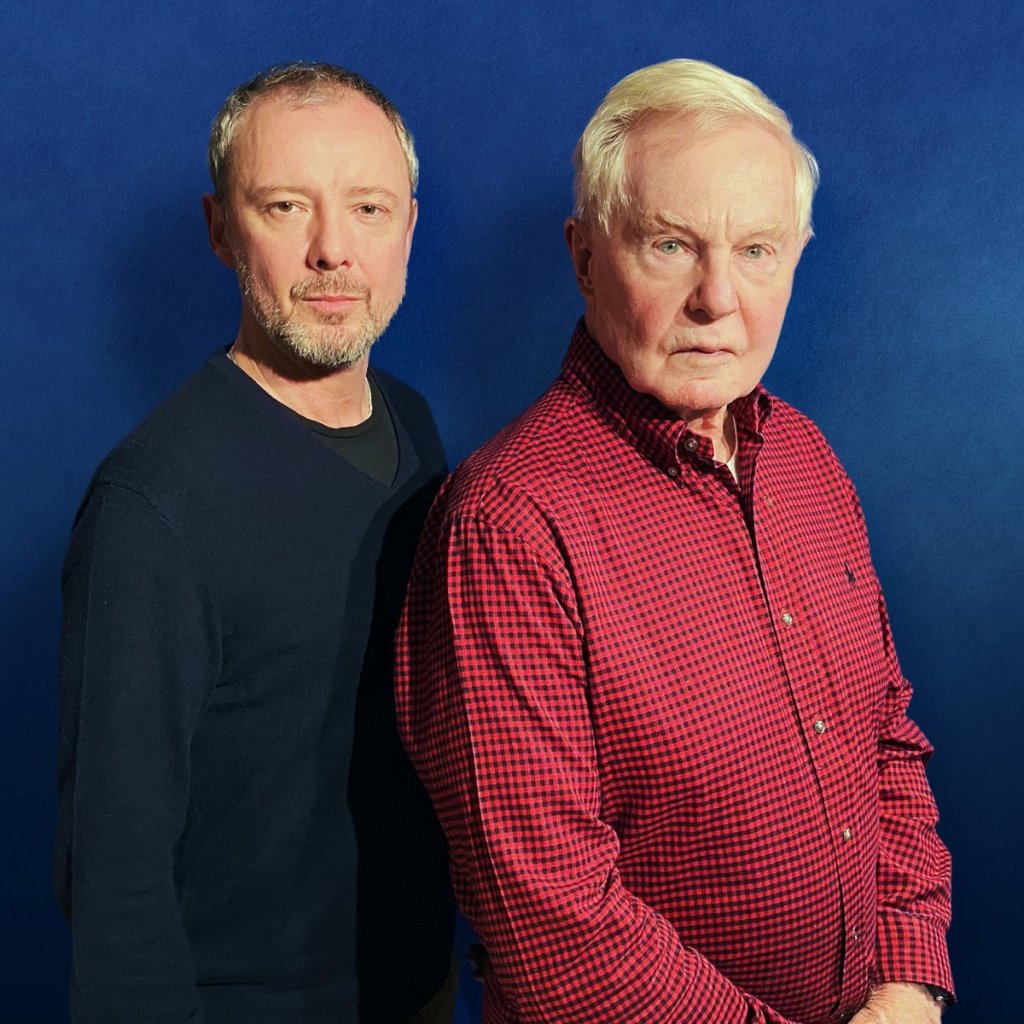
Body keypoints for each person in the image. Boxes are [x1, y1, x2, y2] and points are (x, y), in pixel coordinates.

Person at [396, 59, 953, 1024]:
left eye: (759, 251)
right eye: (669, 245)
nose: (717, 299)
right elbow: (551, 926)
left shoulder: (808, 463)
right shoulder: (508, 524)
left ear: (799, 254)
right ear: (582, 256)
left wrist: (906, 984)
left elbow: (887, 745)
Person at [55, 62, 454, 1024]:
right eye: (284, 206)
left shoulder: (415, 426)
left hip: (419, 985)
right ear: (221, 228)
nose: (331, 251)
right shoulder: (153, 507)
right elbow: (114, 871)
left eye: (367, 207)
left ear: (408, 227)